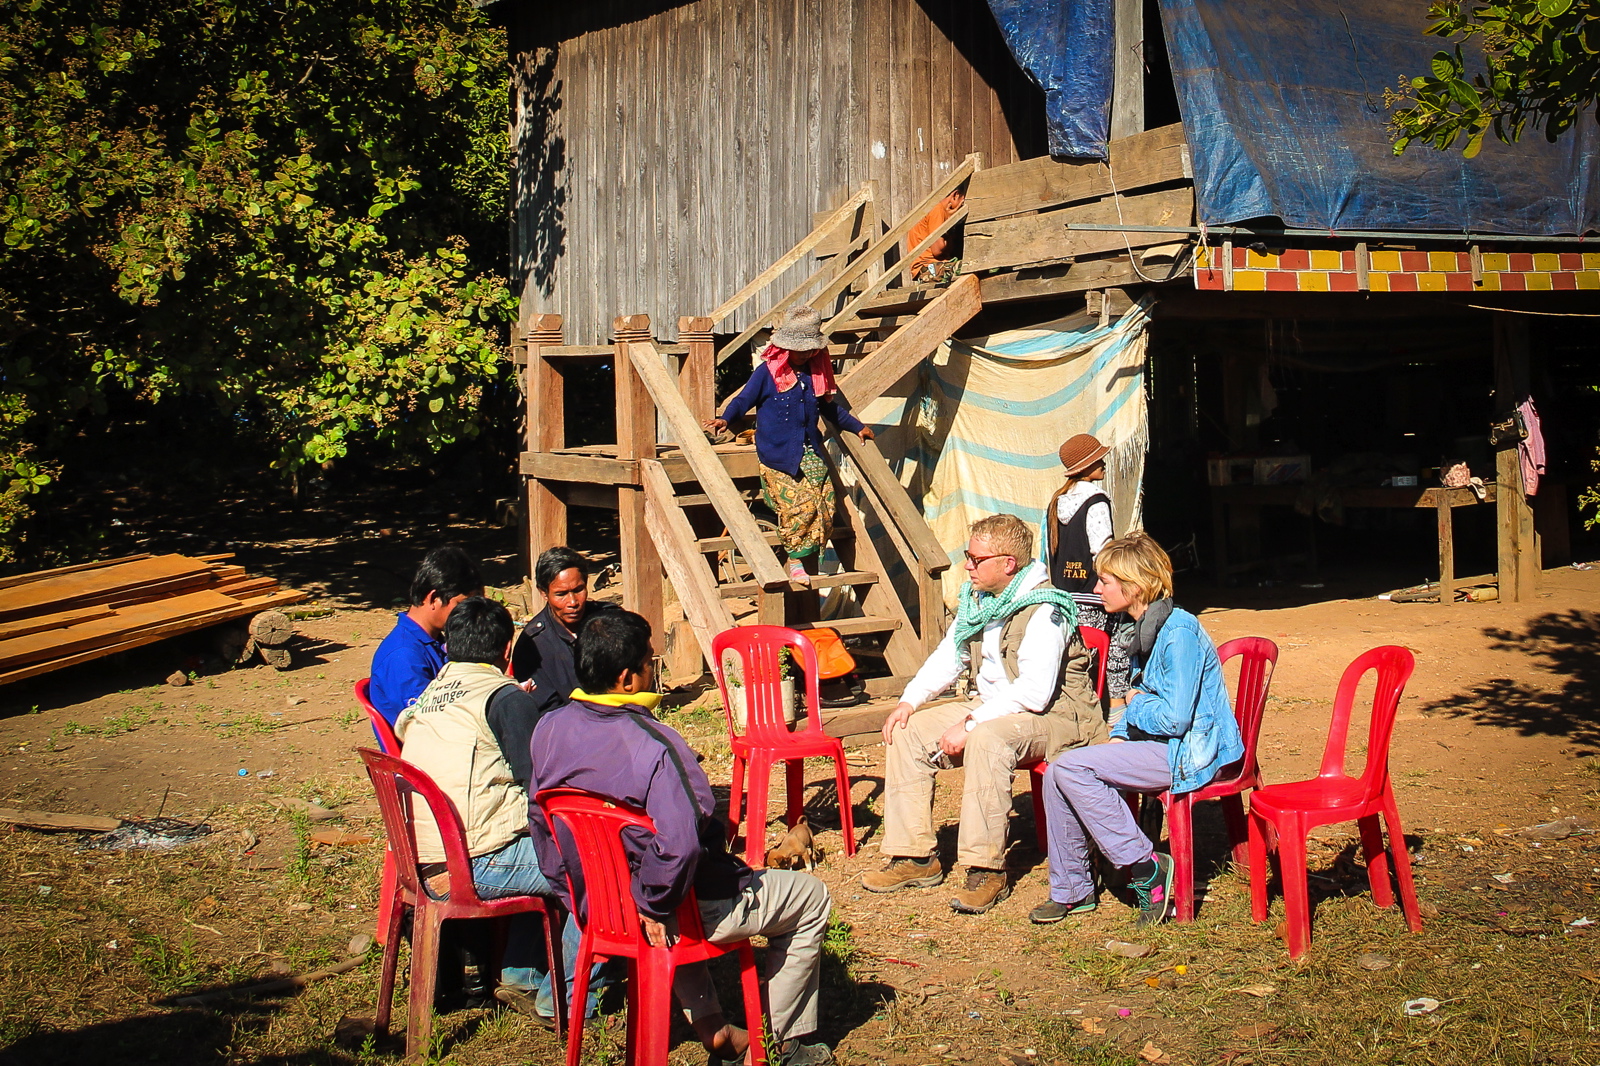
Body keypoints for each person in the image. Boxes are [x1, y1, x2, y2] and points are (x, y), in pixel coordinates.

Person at [529, 611, 834, 1066]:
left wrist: (584, 898)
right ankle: (782, 1043)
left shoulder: (548, 729)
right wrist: (651, 903)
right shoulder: (656, 744)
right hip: (674, 908)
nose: (655, 670)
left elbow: (541, 824)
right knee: (810, 897)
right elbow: (683, 844)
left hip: (601, 910)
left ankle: (716, 1032)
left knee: (672, 892)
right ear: (629, 678)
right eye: (651, 662)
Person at [863, 513, 1108, 914]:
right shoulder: (979, 602)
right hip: (995, 705)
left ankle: (985, 868)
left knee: (988, 739)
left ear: (1007, 563)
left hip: (1057, 716)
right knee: (909, 730)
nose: (968, 566)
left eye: (976, 559)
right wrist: (910, 700)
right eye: (968, 556)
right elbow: (950, 654)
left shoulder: (1045, 610)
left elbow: (1034, 693)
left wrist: (972, 723)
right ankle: (914, 857)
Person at [394, 597, 599, 1023]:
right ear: (507, 649)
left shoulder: (431, 693)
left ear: (449, 646)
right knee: (596, 872)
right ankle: (562, 997)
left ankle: (521, 972)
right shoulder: (504, 699)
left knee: (537, 841)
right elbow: (541, 786)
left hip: (419, 860)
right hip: (475, 863)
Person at [1032, 532, 1243, 928]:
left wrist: (1133, 705)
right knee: (1059, 769)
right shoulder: (1144, 628)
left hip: (1190, 751)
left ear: (1135, 586)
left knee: (1074, 769)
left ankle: (1146, 867)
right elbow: (1144, 698)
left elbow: (1174, 717)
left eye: (1105, 581)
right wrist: (1121, 733)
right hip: (1161, 744)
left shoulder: (1177, 633)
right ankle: (1072, 889)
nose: (1097, 589)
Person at [703, 305, 874, 587]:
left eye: (810, 350)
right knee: (799, 507)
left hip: (809, 451)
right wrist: (725, 419)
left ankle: (811, 553)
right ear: (787, 348)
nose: (807, 354)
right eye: (802, 350)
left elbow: (832, 411)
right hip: (778, 454)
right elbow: (743, 400)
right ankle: (795, 561)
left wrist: (858, 427)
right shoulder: (767, 374)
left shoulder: (814, 375)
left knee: (825, 502)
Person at [1040, 433, 1131, 707]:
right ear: (1085, 466)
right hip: (1095, 595)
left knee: (1074, 655)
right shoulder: (1096, 501)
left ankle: (1073, 707)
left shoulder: (1057, 502)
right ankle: (1115, 708)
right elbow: (1103, 551)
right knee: (1117, 643)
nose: (1103, 462)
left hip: (1064, 596)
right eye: (1097, 459)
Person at [369, 546, 483, 725]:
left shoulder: (435, 642)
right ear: (434, 598)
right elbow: (427, 723)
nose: (468, 613)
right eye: (462, 604)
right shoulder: (404, 656)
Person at [510, 546, 617, 715]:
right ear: (544, 593)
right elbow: (547, 711)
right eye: (561, 594)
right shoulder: (532, 646)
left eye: (578, 590)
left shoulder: (613, 621)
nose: (573, 602)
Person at [907, 188, 965, 283]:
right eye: (962, 203)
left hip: (927, 269)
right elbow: (937, 250)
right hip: (931, 268)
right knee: (975, 266)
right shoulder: (937, 209)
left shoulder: (931, 208)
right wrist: (950, 225)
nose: (962, 207)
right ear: (955, 195)